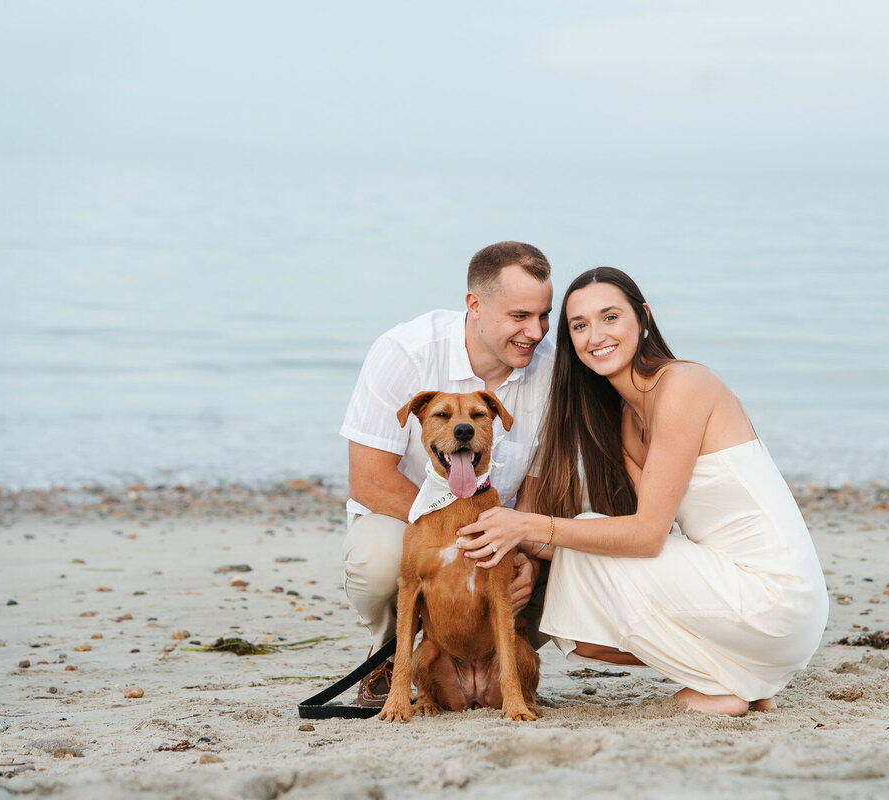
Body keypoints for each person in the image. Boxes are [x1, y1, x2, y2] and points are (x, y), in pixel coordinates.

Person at [455, 267, 829, 715]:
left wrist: (528, 524)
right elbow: (630, 543)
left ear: (643, 318)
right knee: (579, 629)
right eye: (579, 325)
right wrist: (521, 539)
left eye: (610, 317)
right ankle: (736, 681)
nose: (596, 336)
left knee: (585, 537)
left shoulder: (683, 384)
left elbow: (648, 536)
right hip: (741, 598)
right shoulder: (627, 420)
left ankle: (729, 684)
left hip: (776, 597)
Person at [340, 241, 555, 708]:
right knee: (377, 558)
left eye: (544, 316)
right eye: (520, 316)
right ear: (474, 305)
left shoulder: (552, 372)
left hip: (503, 532)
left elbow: (539, 483)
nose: (535, 332)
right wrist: (459, 539)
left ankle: (503, 660)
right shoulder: (405, 352)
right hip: (411, 520)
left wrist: (526, 552)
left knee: (573, 553)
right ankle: (389, 655)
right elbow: (370, 480)